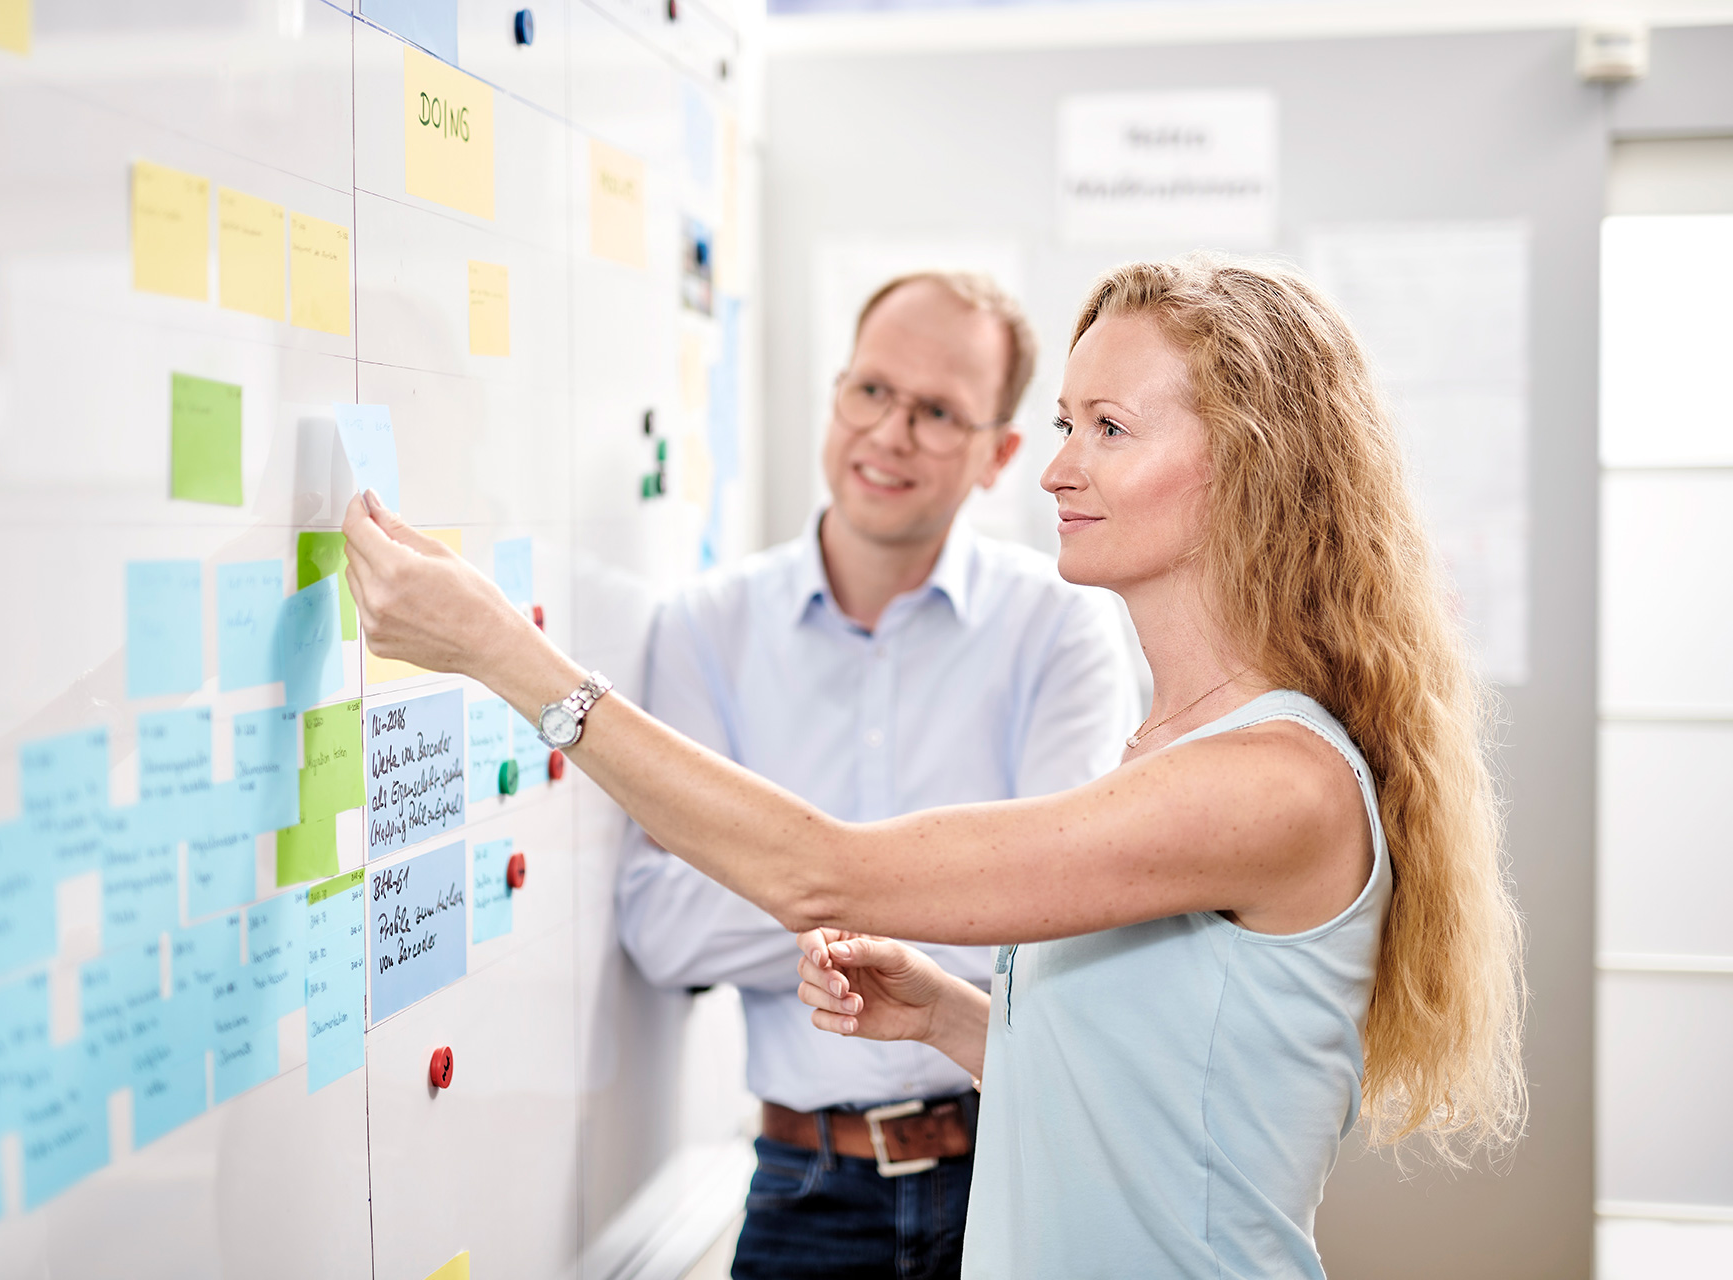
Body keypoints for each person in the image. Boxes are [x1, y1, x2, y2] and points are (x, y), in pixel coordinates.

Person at [339, 254, 1528, 1279]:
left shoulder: (1268, 782)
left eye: (1109, 429)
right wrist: (960, 1017)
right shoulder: (1174, 747)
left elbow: (821, 871)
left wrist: (500, 650)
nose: (1060, 471)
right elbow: (1152, 1103)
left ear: (1257, 469)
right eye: (1067, 425)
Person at [615, 272, 1137, 1279]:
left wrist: (791, 883)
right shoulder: (704, 628)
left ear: (998, 454)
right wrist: (952, 902)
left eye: (938, 411)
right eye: (871, 391)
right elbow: (660, 924)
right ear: (836, 393)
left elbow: (1061, 921)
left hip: (1020, 1170)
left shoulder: (1062, 624)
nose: (890, 433)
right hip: (804, 1190)